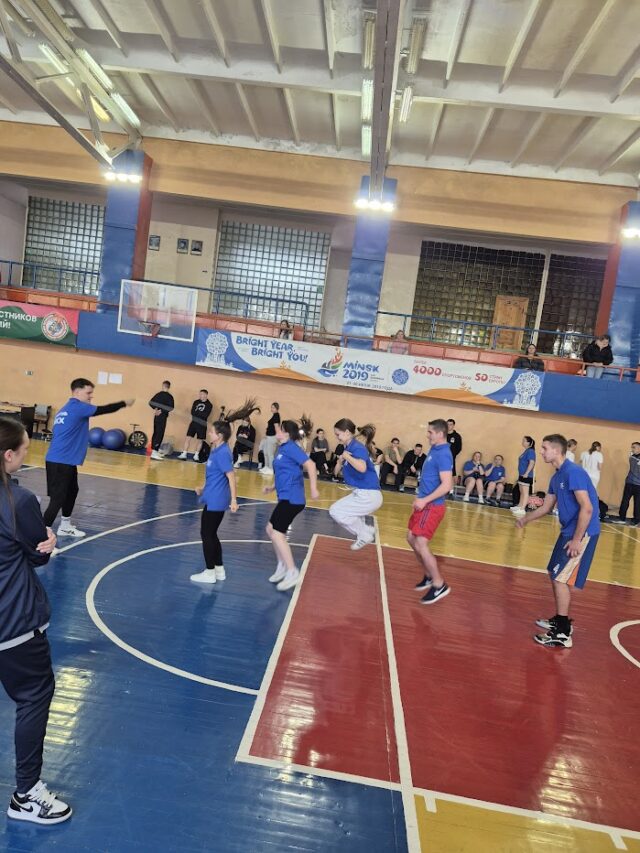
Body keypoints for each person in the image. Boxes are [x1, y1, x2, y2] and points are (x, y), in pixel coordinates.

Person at [0, 416, 72, 825]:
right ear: (9, 455)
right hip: (12, 622)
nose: (28, 455)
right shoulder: (19, 500)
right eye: (25, 449)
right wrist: (48, 542)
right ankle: (26, 795)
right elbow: (37, 553)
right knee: (34, 696)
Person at [515, 434, 600, 648]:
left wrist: (577, 540)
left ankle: (563, 633)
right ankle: (560, 619)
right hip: (568, 531)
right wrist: (525, 519)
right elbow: (546, 507)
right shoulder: (557, 477)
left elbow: (587, 508)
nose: (541, 451)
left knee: (561, 578)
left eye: (544, 448)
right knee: (554, 573)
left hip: (582, 533)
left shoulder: (574, 472)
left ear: (556, 450)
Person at [44, 379, 134, 536]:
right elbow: (104, 409)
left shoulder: (66, 408)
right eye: (88, 393)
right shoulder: (78, 407)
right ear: (77, 392)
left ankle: (65, 526)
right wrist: (124, 403)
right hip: (60, 461)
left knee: (72, 491)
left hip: (65, 460)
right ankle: (41, 536)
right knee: (57, 499)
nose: (91, 396)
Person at [190, 402, 257, 584]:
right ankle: (219, 570)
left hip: (217, 499)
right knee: (211, 534)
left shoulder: (223, 453)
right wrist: (203, 487)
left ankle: (209, 572)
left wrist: (234, 500)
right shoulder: (216, 450)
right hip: (213, 495)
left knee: (206, 534)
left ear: (219, 436)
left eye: (212, 432)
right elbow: (213, 474)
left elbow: (231, 476)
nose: (209, 434)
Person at [263, 418, 319, 591]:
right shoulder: (283, 448)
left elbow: (311, 465)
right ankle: (282, 566)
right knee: (270, 529)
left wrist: (313, 488)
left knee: (277, 533)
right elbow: (286, 471)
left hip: (293, 498)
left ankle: (292, 571)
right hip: (285, 496)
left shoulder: (292, 448)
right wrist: (272, 487)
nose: (277, 431)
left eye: (280, 429)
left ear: (287, 433)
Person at [409, 419, 454, 605]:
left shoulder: (443, 454)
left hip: (432, 506)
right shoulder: (435, 449)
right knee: (411, 538)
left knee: (420, 542)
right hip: (424, 503)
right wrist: (420, 497)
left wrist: (425, 500)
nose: (427, 435)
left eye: (430, 432)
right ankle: (429, 575)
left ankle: (439, 584)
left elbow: (447, 485)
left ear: (440, 434)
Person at [330, 421, 383, 549]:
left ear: (347, 432)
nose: (337, 437)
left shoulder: (357, 448)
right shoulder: (348, 449)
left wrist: (347, 457)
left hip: (368, 495)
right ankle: (365, 532)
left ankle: (365, 533)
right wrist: (340, 461)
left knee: (335, 511)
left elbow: (362, 468)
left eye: (338, 434)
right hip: (360, 493)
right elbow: (335, 473)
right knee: (341, 512)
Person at [178, 389, 213, 462]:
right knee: (188, 438)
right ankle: (184, 453)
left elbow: (205, 415)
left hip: (202, 424)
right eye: (200, 394)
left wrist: (197, 413)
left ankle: (196, 455)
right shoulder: (196, 402)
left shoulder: (209, 405)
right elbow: (192, 412)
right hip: (193, 422)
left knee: (200, 440)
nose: (200, 395)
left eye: (202, 394)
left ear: (206, 395)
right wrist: (198, 414)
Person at [614, 442, 640, 526]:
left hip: (638, 485)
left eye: (634, 447)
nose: (632, 449)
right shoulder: (632, 457)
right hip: (630, 483)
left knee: (637, 503)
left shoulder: (632, 457)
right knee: (625, 501)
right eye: (632, 447)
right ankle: (622, 518)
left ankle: (636, 520)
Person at [148, 380, 174, 460]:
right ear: (169, 387)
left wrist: (156, 409)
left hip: (156, 416)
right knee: (160, 433)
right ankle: (154, 452)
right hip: (162, 416)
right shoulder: (169, 396)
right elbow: (171, 407)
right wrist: (162, 411)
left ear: (163, 386)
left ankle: (154, 450)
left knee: (156, 432)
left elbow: (150, 403)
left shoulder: (158, 394)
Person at [511, 436, 536, 516]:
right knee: (521, 491)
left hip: (526, 476)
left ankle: (522, 509)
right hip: (521, 475)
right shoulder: (526, 451)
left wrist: (526, 473)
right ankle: (519, 506)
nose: (522, 442)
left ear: (529, 443)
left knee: (525, 493)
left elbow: (532, 463)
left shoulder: (531, 451)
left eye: (524, 441)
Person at [257, 402, 280, 476]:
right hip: (268, 437)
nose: (271, 409)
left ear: (277, 408)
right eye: (271, 407)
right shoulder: (274, 415)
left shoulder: (276, 416)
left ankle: (271, 469)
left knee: (270, 454)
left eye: (273, 407)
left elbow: (276, 427)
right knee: (266, 453)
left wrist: (278, 437)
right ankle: (266, 467)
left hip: (272, 437)